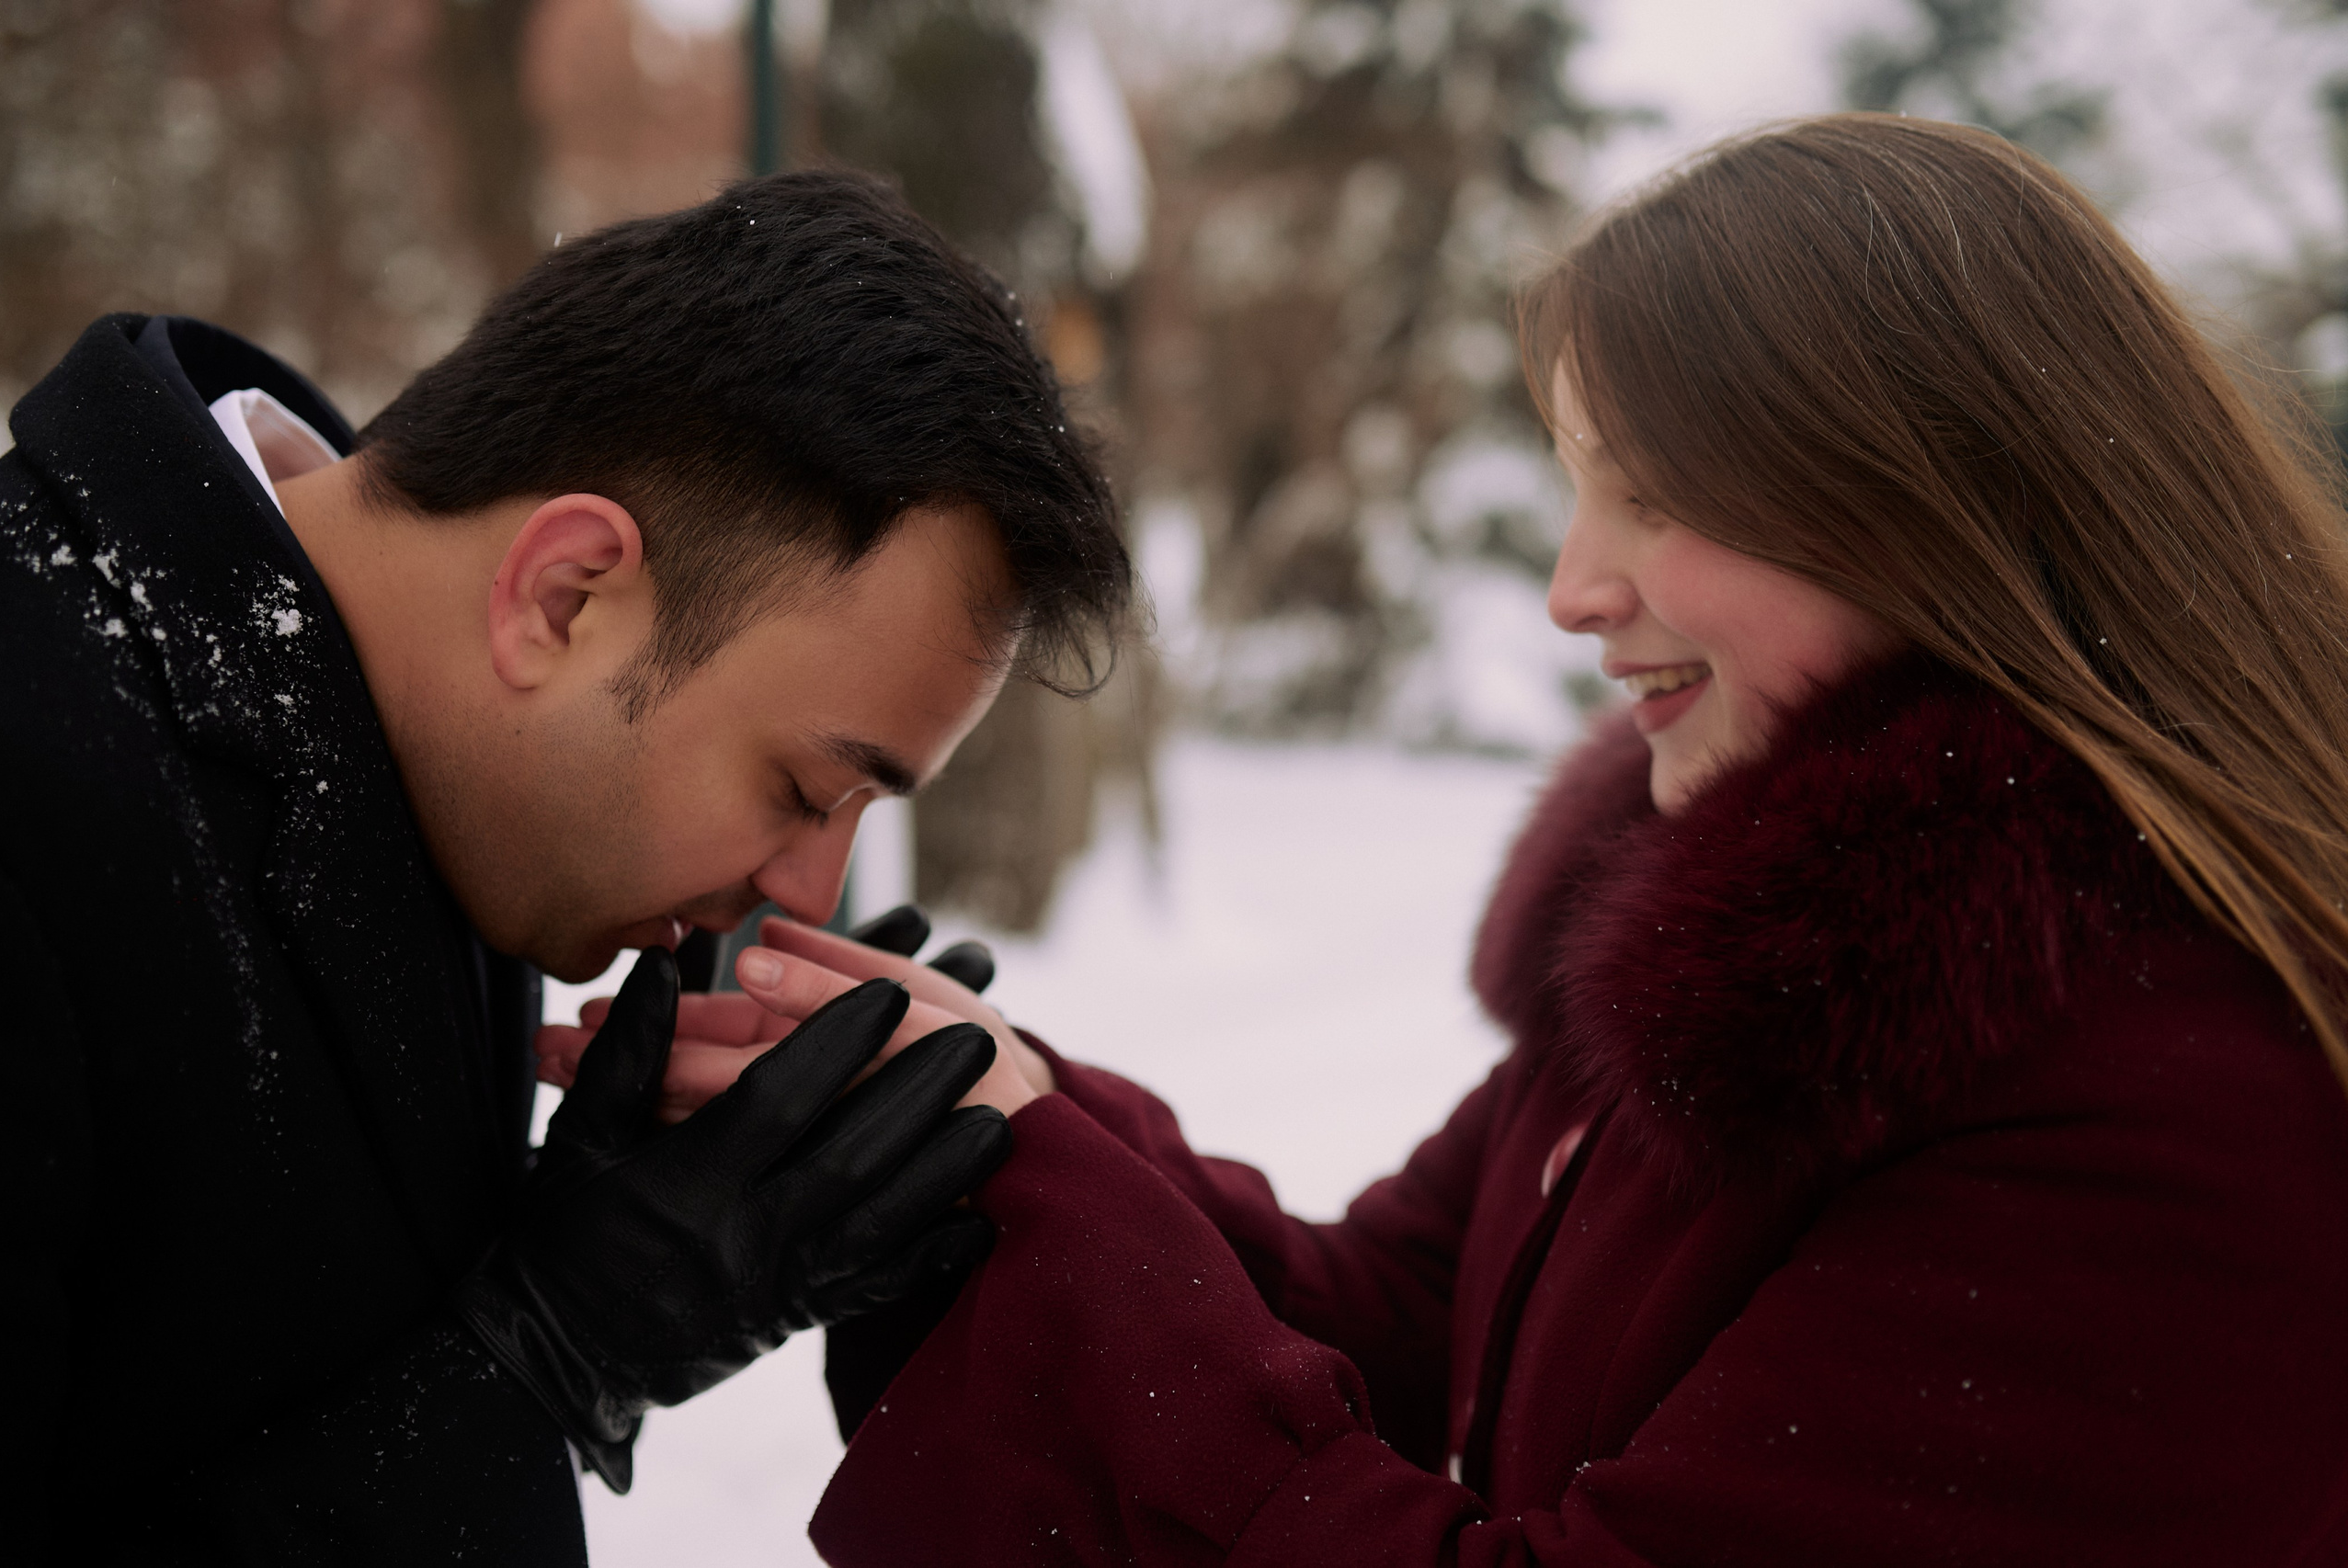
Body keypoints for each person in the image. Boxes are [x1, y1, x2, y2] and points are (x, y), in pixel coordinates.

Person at [566, 116, 2348, 1562]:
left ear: (1932, 503)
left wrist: (1041, 1172)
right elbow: (1396, 1310)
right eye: (1576, 484)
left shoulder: (2161, 1102)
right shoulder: (1761, 940)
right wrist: (976, 1109)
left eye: (1653, 493)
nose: (1575, 585)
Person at [0, 169, 1129, 1563]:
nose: (810, 894)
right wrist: (544, 1354)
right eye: (801, 788)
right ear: (564, 594)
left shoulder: (431, 760)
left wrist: (555, 1279)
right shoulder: (30, 786)